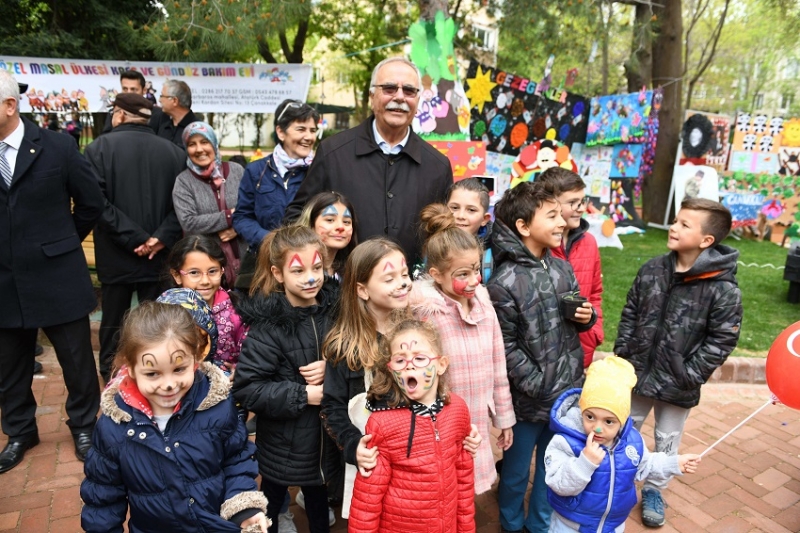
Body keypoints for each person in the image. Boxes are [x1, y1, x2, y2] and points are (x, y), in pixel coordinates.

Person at [80, 301, 269, 533]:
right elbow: (103, 498)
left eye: (179, 369)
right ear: (129, 368)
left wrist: (244, 509)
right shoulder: (114, 427)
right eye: (152, 373)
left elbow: (237, 459)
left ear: (195, 359)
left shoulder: (217, 407)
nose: (169, 385)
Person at [614, 197, 742, 528]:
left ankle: (655, 489)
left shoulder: (722, 288)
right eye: (675, 220)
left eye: (684, 224)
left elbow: (722, 338)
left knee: (667, 438)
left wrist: (690, 373)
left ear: (706, 240)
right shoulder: (653, 269)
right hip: (638, 371)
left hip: (678, 381)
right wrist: (625, 352)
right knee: (626, 429)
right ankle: (619, 478)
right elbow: (630, 310)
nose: (673, 227)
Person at [0, 72, 104, 471]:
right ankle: (20, 430)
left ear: (10, 105)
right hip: (5, 281)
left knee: (76, 361)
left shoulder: (57, 147)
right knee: (10, 365)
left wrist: (61, 243)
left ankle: (83, 426)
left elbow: (91, 202)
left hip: (58, 275)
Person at [487, 181, 596, 533]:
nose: (563, 221)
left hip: (564, 397)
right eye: (552, 215)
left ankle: (539, 525)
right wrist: (536, 382)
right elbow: (504, 345)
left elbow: (576, 315)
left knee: (552, 468)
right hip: (528, 401)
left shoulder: (562, 268)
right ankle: (511, 523)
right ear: (523, 226)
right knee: (516, 473)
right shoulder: (504, 281)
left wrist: (586, 317)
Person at [284, 57, 454, 264]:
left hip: (410, 290)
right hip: (342, 287)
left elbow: (446, 235)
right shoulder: (333, 153)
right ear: (372, 97)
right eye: (389, 88)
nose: (400, 97)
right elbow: (298, 216)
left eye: (409, 91)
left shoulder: (437, 166)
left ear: (418, 102)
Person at [232, 225, 339, 533]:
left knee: (319, 497)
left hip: (325, 440)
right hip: (284, 443)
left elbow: (352, 355)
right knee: (272, 498)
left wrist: (331, 368)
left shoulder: (333, 311)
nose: (311, 277)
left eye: (317, 267)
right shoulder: (269, 327)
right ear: (278, 274)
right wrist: (305, 394)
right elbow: (248, 388)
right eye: (298, 270)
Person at [410, 203, 515, 494]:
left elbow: (498, 366)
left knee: (466, 494)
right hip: (438, 426)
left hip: (477, 423)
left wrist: (504, 419)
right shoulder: (424, 313)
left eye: (476, 270)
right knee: (438, 493)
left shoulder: (484, 306)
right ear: (437, 274)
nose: (474, 281)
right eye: (462, 273)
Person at [84, 92, 186, 383]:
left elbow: (96, 203)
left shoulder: (98, 149)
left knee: (113, 321)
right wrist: (157, 239)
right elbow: (180, 205)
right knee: (156, 322)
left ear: (118, 114)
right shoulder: (174, 152)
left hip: (117, 252)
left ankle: (111, 376)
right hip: (158, 254)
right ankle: (154, 375)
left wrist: (134, 238)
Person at [348, 317, 476, 532]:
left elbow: (463, 478)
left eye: (419, 358)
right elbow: (367, 503)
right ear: (391, 369)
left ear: (441, 364)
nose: (409, 366)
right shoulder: (382, 423)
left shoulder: (458, 410)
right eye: (400, 360)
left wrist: (465, 528)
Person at [544, 356, 701, 532]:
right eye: (590, 416)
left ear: (622, 419)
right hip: (570, 526)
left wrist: (674, 463)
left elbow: (646, 465)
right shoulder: (565, 442)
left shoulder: (632, 442)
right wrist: (585, 462)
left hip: (614, 525)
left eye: (608, 421)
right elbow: (558, 484)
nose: (597, 428)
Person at [232, 99, 319, 290]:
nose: (308, 137)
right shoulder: (256, 171)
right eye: (301, 129)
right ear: (281, 132)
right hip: (263, 266)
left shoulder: (318, 171)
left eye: (312, 130)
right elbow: (242, 217)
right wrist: (270, 241)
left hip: (308, 269)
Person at [536, 167, 604, 368]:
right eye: (572, 202)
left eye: (582, 201)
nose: (581, 208)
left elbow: (595, 293)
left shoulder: (589, 243)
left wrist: (594, 331)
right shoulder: (539, 245)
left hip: (582, 345)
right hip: (545, 353)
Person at [173, 121, 246, 287]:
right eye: (192, 144)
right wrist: (230, 216)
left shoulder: (236, 171)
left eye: (204, 142)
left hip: (243, 261)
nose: (199, 149)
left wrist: (237, 227)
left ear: (214, 144)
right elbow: (189, 222)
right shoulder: (183, 182)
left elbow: (252, 208)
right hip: (204, 268)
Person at [167, 236, 246, 375]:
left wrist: (242, 370)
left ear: (222, 271)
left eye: (212, 271)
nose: (205, 281)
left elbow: (251, 352)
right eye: (194, 273)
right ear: (177, 275)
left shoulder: (236, 309)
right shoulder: (165, 311)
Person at [294, 191, 358, 279]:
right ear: (311, 224)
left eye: (346, 222)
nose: (340, 227)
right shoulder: (295, 270)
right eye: (330, 220)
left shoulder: (351, 274)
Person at [445, 178, 494, 281]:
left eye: (471, 210)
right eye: (454, 208)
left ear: (484, 219)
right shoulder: (433, 244)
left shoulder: (494, 254)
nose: (460, 216)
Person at [151, 79, 199, 148]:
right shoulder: (163, 125)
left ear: (174, 101)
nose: (159, 100)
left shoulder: (196, 129)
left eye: (162, 96)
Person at [101, 70, 148, 135]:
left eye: (133, 89)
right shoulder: (114, 112)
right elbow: (106, 137)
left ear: (144, 90)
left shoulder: (157, 114)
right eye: (125, 89)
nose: (128, 93)